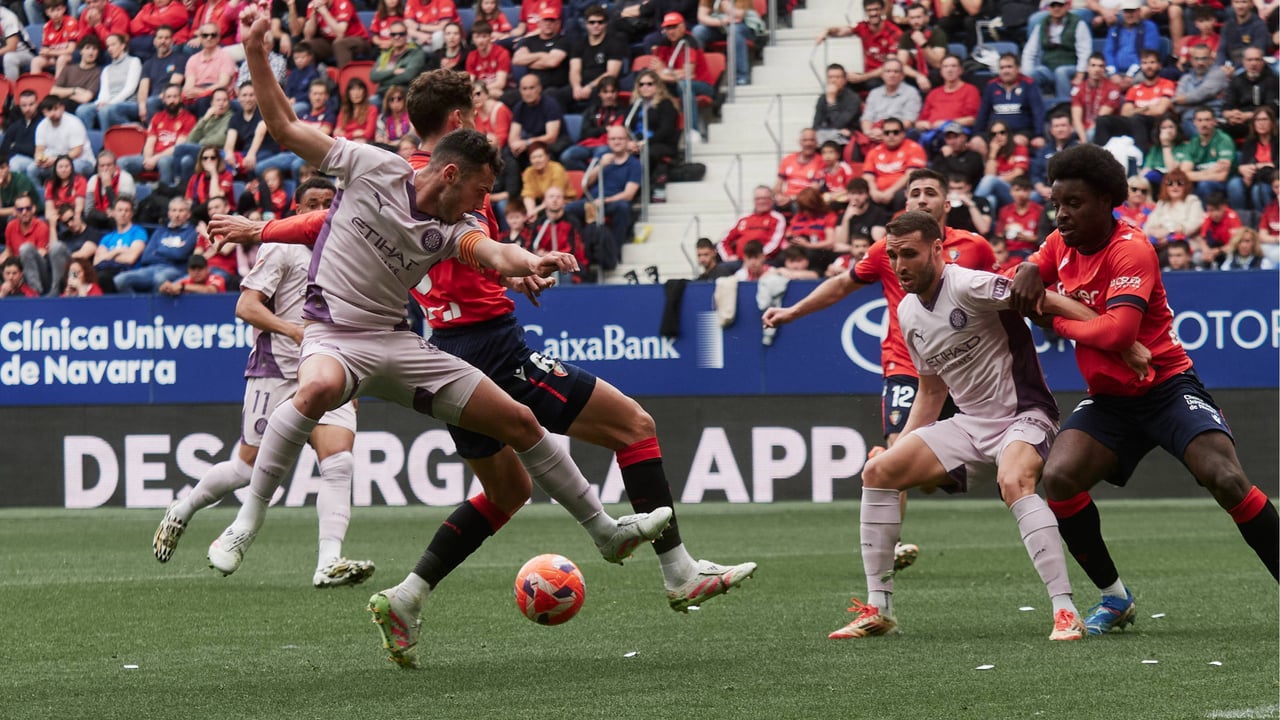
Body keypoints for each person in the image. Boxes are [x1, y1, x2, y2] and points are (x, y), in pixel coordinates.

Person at [209, 46, 748, 668]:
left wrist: (521, 267)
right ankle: (677, 571)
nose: (482, 193)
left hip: (430, 340)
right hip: (485, 342)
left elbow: (476, 249)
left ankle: (408, 596)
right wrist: (264, 227)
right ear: (460, 125)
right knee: (634, 426)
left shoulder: (445, 197)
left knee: (507, 489)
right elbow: (349, 216)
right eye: (480, 109)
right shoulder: (418, 176)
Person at [1009, 143, 1279, 635]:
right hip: (1112, 400)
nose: (1062, 214)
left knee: (1225, 478)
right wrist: (1029, 267)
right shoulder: (1057, 243)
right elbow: (1020, 285)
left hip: (1166, 386)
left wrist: (1052, 313)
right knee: (1061, 478)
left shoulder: (1131, 247)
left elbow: (1117, 334)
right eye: (1057, 203)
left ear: (1108, 200)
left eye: (1075, 203)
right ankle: (1115, 599)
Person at [823, 209, 1087, 642]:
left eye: (909, 253)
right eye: (892, 255)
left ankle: (1065, 610)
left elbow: (1044, 298)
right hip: (968, 424)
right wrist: (900, 446)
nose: (899, 265)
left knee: (1013, 479)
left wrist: (1115, 335)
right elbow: (930, 393)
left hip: (1024, 415)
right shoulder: (907, 311)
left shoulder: (969, 284)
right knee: (878, 472)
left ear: (937, 249)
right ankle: (879, 608)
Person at [763, 168, 998, 571]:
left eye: (930, 192)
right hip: (907, 365)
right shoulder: (885, 250)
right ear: (905, 203)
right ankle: (891, 547)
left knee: (928, 476)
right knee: (896, 450)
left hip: (961, 371)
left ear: (946, 203)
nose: (922, 199)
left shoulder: (975, 247)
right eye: (915, 193)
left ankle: (935, 477)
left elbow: (994, 299)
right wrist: (792, 311)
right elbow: (840, 285)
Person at [153, 178, 375, 589]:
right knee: (245, 468)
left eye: (329, 203)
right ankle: (183, 508)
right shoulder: (282, 246)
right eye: (313, 202)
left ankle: (329, 561)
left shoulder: (349, 247)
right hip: (278, 371)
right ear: (295, 206)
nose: (321, 209)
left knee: (339, 463)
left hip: (329, 370)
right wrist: (291, 331)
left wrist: (353, 381)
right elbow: (246, 305)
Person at [566, 124, 641, 251]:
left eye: (620, 138)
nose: (616, 142)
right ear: (608, 141)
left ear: (627, 140)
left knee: (623, 207)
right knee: (567, 210)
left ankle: (615, 252)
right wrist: (600, 166)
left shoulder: (634, 164)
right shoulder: (601, 160)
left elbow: (629, 194)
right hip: (592, 201)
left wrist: (605, 200)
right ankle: (581, 250)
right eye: (613, 139)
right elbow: (585, 184)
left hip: (612, 202)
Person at [112, 196, 199, 292]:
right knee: (120, 280)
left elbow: (180, 254)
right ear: (169, 213)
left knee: (160, 279)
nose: (177, 215)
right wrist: (172, 251)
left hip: (176, 270)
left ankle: (155, 307)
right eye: (174, 211)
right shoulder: (160, 231)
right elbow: (146, 256)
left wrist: (158, 251)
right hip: (152, 269)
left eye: (181, 211)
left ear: (188, 214)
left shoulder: (192, 232)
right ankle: (137, 305)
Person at [1094, 50, 1174, 154]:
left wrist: (1136, 110)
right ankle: (1100, 157)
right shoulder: (1135, 88)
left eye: (1152, 62)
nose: (1148, 66)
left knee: (1137, 118)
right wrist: (1147, 108)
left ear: (1159, 65)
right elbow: (1125, 113)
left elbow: (1160, 110)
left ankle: (1141, 158)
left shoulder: (1167, 84)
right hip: (1135, 123)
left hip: (1156, 124)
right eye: (1144, 63)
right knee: (1102, 120)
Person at [118, 85, 196, 189]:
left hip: (171, 158)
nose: (172, 100)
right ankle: (127, 194)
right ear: (163, 100)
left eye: (175, 97)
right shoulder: (157, 117)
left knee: (164, 161)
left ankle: (163, 193)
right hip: (152, 157)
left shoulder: (189, 119)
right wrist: (147, 159)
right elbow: (150, 142)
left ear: (181, 98)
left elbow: (178, 147)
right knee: (122, 162)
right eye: (169, 97)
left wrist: (155, 158)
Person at [817, 0, 902, 92]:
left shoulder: (893, 32)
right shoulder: (862, 26)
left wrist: (862, 77)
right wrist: (827, 30)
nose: (873, 13)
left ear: (882, 10)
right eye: (869, 10)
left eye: (876, 9)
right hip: (868, 76)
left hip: (886, 77)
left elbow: (889, 67)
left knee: (873, 83)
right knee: (843, 81)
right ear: (865, 12)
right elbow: (841, 31)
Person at [1021, 0, 1090, 101]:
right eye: (1053, 6)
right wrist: (1026, 73)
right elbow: (1030, 51)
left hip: (1071, 67)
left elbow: (1084, 50)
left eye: (1060, 5)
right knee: (1032, 74)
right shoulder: (1042, 24)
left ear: (1066, 6)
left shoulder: (1077, 23)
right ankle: (1035, 108)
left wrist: (1080, 74)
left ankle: (1064, 106)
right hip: (1048, 69)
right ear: (1048, 8)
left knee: (1060, 72)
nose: (1056, 8)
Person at [976, 54, 1046, 149]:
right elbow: (983, 113)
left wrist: (1039, 135)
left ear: (1018, 68)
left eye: (1009, 67)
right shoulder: (991, 86)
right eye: (1002, 68)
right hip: (994, 132)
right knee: (976, 143)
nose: (1005, 71)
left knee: (1016, 141)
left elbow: (1038, 112)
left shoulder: (1028, 84)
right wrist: (976, 134)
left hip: (1020, 132)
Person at [1, 194, 63, 296]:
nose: (24, 212)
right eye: (20, 210)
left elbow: (41, 254)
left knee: (25, 249)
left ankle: (34, 292)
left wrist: (17, 267)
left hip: (41, 274)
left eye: (28, 208)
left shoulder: (41, 226)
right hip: (18, 272)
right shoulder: (11, 226)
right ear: (15, 212)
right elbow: (8, 252)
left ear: (33, 209)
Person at [565, 4, 625, 112]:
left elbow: (612, 73)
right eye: (592, 22)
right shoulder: (579, 44)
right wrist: (576, 87)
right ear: (586, 24)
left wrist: (590, 86)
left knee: (599, 95)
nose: (596, 25)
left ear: (605, 24)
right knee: (553, 94)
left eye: (600, 22)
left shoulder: (614, 43)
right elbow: (574, 69)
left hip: (602, 86)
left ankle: (592, 126)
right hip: (581, 85)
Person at [863, 117, 926, 212]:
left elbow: (910, 175)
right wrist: (873, 192)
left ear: (903, 133)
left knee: (902, 196)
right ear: (882, 134)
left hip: (901, 191)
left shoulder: (915, 148)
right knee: (861, 196)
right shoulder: (874, 152)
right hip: (877, 193)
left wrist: (890, 192)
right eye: (887, 133)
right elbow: (868, 176)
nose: (891, 136)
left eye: (895, 132)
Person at [1176, 106, 1234, 201]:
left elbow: (1222, 176)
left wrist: (1197, 175)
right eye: (1200, 120)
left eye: (1207, 120)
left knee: (1204, 184)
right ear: (1194, 123)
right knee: (1178, 184)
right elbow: (1184, 174)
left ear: (1214, 122)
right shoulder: (1193, 142)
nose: (1203, 124)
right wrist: (1208, 173)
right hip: (1204, 179)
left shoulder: (1224, 140)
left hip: (1224, 183)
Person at [1221, 48, 1278, 142]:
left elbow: (1272, 108)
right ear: (1243, 62)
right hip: (1240, 121)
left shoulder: (1272, 80)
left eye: (1257, 59)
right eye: (1250, 60)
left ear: (1263, 62)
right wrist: (1231, 115)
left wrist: (1248, 115)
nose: (1253, 63)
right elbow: (1226, 106)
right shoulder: (1236, 80)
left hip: (1263, 120)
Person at [718, 185, 786, 263]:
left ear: (772, 200)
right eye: (758, 198)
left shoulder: (777, 218)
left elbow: (775, 244)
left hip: (763, 262)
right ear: (754, 201)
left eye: (765, 198)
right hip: (739, 261)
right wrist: (728, 257)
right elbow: (723, 240)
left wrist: (754, 258)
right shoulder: (744, 218)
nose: (761, 201)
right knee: (721, 269)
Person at [859, 59, 921, 145]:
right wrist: (868, 132)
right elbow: (867, 117)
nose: (892, 75)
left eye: (896, 72)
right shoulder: (874, 93)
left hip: (897, 134)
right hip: (874, 133)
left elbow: (909, 121)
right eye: (888, 71)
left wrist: (885, 132)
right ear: (882, 75)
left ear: (902, 76)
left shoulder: (911, 92)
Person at [93, 196, 148, 291]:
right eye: (120, 210)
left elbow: (131, 259)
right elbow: (97, 261)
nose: (123, 213)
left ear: (131, 214)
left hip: (128, 272)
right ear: (113, 213)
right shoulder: (107, 238)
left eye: (127, 211)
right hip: (107, 271)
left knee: (103, 277)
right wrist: (118, 251)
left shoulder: (138, 232)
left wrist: (108, 256)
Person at [914, 55, 979, 136]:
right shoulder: (933, 93)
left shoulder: (970, 90)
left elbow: (972, 119)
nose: (949, 70)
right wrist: (922, 124)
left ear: (960, 70)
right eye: (945, 67)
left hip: (956, 131)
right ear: (941, 72)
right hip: (930, 131)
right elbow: (920, 121)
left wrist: (946, 124)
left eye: (953, 66)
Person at [1144, 168, 1203, 255]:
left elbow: (1193, 225)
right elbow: (1148, 225)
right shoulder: (1162, 203)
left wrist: (1169, 233)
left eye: (1179, 183)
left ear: (1186, 186)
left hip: (1184, 246)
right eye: (1170, 183)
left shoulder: (1192, 201)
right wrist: (1154, 233)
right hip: (1158, 244)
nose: (1175, 186)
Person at [1229, 107, 1278, 212]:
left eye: (1265, 119)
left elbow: (1276, 166)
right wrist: (1243, 170)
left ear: (1272, 123)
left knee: (1258, 189)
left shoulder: (1277, 141)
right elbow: (1243, 165)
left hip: (1272, 180)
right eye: (1257, 120)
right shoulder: (1250, 142)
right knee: (1234, 184)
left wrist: (1255, 167)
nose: (1261, 123)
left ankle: (1265, 223)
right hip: (1253, 177)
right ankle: (1241, 221)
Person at [1070, 53, 1123, 145]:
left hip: (1103, 130)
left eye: (1101, 66)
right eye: (1093, 65)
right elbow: (1076, 118)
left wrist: (1085, 141)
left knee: (1092, 133)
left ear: (1104, 69)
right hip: (1082, 130)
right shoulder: (1078, 89)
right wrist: (1083, 141)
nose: (1097, 69)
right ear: (1087, 68)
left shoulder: (1113, 89)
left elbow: (1100, 119)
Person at [302, 0, 372, 68]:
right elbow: (308, 35)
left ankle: (345, 78)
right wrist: (314, 14)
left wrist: (325, 12)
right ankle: (309, 77)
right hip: (331, 41)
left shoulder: (342, 3)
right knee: (305, 45)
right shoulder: (312, 4)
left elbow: (340, 34)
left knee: (339, 44)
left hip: (358, 40)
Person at [896, 3, 946, 93]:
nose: (915, 21)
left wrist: (923, 44)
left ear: (927, 18)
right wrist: (918, 76)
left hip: (934, 75)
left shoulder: (937, 33)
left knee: (936, 74)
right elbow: (901, 64)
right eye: (912, 18)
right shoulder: (906, 36)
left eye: (918, 17)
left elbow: (937, 63)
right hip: (916, 74)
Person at [774, 128, 823, 210]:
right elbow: (779, 184)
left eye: (812, 140)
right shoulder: (788, 159)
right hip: (787, 197)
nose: (808, 143)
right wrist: (778, 195)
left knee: (796, 206)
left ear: (816, 143)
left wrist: (792, 198)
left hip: (806, 199)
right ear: (800, 142)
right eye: (805, 140)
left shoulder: (821, 161)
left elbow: (815, 189)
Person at [813, 63, 861, 146]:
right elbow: (816, 126)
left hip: (848, 136)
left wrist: (831, 101)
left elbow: (839, 124)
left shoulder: (853, 98)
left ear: (844, 80)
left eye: (837, 77)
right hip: (826, 135)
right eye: (830, 77)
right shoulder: (822, 98)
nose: (833, 80)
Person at [996, 176, 1043, 258]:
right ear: (1011, 191)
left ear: (1030, 192)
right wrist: (1004, 232)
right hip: (1008, 253)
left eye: (1024, 190)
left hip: (1030, 253)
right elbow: (998, 236)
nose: (1020, 194)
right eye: (1017, 190)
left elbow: (1044, 238)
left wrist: (1028, 239)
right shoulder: (1004, 211)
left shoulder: (1040, 210)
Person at [1216, 0, 1269, 68]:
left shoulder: (1259, 25)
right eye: (1236, 2)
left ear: (1251, 4)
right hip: (1230, 66)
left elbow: (1257, 52)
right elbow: (1221, 51)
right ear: (1232, 4)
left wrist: (1234, 68)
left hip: (1252, 67)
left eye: (1244, 2)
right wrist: (1221, 68)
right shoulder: (1227, 26)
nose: (1240, 6)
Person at [158, 252, 226, 294]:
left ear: (207, 269)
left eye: (200, 268)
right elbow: (174, 288)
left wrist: (183, 287)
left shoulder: (217, 278)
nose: (196, 272)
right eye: (193, 269)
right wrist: (166, 289)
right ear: (188, 270)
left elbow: (211, 291)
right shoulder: (185, 282)